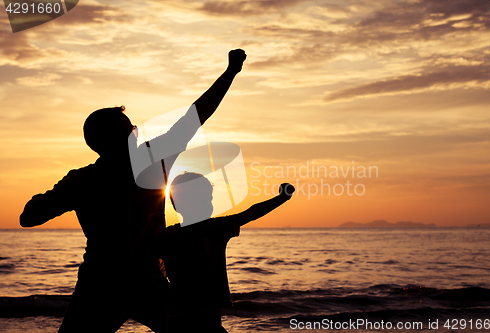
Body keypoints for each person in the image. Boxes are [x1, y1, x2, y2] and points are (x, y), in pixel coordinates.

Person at [19, 49, 247, 333]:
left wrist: (47, 198)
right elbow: (196, 116)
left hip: (102, 284)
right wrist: (231, 72)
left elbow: (28, 217)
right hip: (139, 283)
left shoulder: (81, 181)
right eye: (132, 131)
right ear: (119, 138)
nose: (138, 134)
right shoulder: (153, 160)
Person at [146, 172, 295, 333]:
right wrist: (282, 198)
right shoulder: (214, 228)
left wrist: (149, 228)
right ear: (186, 203)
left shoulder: (169, 234)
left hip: (179, 314)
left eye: (209, 199)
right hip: (197, 314)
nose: (210, 203)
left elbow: (140, 256)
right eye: (205, 199)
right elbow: (251, 213)